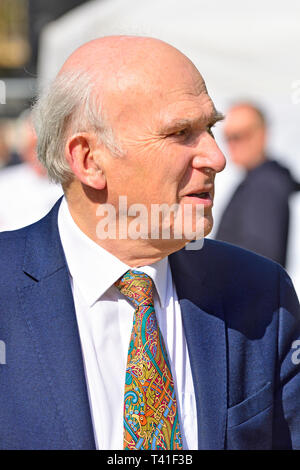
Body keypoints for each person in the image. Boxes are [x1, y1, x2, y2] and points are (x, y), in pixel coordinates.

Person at [0, 36, 299, 450]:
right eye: (180, 132)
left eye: (209, 127)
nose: (216, 156)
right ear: (89, 160)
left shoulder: (261, 294)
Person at [215, 102, 298, 267]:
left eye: (239, 136)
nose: (232, 145)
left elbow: (260, 259)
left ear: (262, 135)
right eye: (228, 137)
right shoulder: (256, 180)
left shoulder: (265, 185)